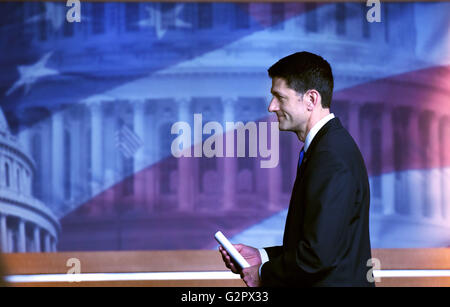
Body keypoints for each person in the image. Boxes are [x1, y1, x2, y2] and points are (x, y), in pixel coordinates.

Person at [219, 51, 374, 287]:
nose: (271, 107)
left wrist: (263, 274)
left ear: (311, 100)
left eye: (279, 97)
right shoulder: (327, 148)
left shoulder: (331, 157)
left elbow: (318, 256)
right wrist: (262, 256)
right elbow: (320, 243)